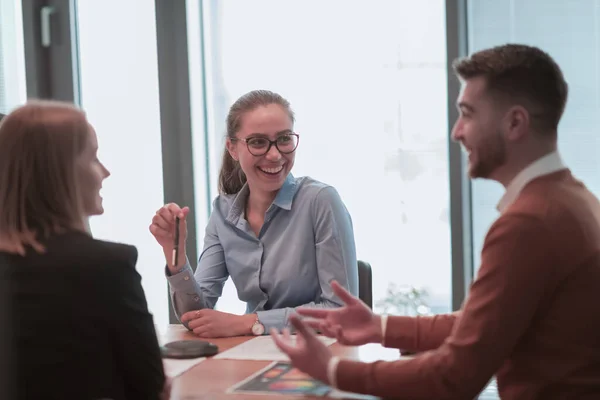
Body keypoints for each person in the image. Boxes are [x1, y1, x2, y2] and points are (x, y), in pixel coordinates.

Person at [271, 44, 600, 399]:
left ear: (515, 123)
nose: (457, 131)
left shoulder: (530, 224)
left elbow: (454, 377)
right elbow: (481, 325)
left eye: (468, 114)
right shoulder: (572, 199)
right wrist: (379, 326)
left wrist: (334, 369)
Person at [150, 89, 358, 338]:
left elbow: (341, 311)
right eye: (258, 142)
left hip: (318, 354)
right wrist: (176, 256)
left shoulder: (321, 201)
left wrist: (251, 322)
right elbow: (196, 316)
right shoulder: (223, 213)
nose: (274, 154)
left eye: (284, 139)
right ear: (233, 148)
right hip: (255, 355)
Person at [0, 101, 169, 400]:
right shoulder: (104, 265)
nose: (105, 172)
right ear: (60, 173)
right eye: (92, 157)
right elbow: (151, 387)